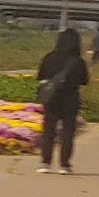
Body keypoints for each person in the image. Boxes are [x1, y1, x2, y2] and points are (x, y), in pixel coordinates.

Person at [35, 26, 88, 175]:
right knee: (67, 132)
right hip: (71, 99)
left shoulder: (49, 57)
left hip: (51, 99)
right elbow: (84, 80)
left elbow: (40, 76)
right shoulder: (77, 61)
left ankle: (45, 162)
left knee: (48, 131)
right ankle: (64, 164)